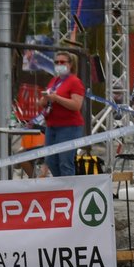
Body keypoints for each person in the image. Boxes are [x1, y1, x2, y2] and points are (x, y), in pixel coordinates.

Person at [40, 49, 86, 177]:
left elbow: (77, 105)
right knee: (50, 161)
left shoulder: (75, 82)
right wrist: (44, 100)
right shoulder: (54, 81)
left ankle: (69, 190)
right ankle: (61, 187)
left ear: (70, 64)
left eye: (62, 62)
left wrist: (56, 98)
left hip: (69, 127)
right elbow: (45, 101)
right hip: (52, 126)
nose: (59, 64)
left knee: (65, 162)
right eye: (56, 62)